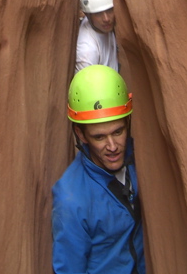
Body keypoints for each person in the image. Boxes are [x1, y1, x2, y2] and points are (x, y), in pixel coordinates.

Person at [52, 65, 145, 274]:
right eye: (99, 137)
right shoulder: (71, 199)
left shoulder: (138, 160)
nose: (112, 146)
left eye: (118, 131)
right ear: (81, 134)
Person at [76, 0, 119, 72]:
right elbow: (86, 85)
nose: (106, 19)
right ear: (88, 14)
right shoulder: (87, 51)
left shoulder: (102, 26)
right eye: (98, 13)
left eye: (109, 10)